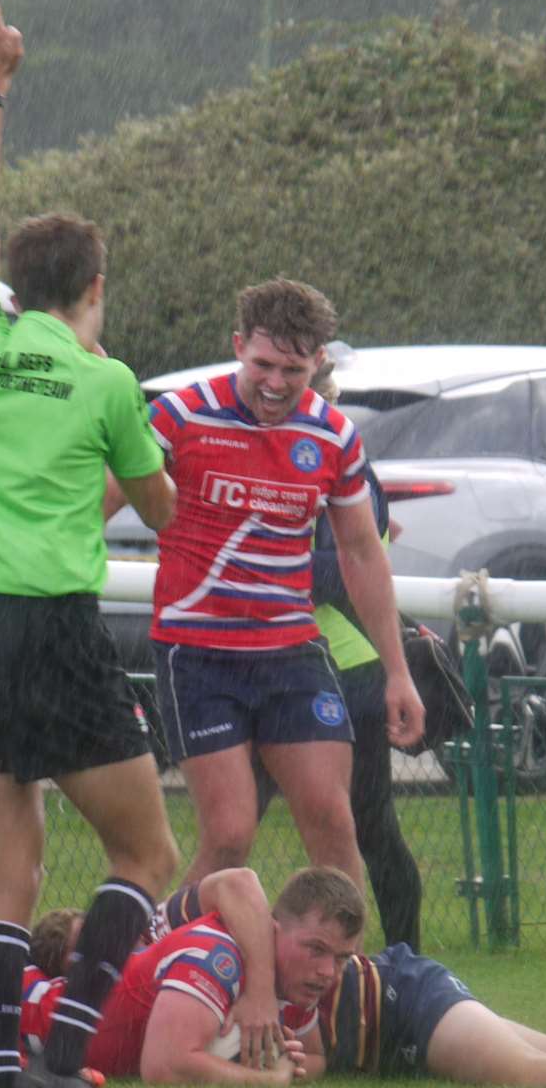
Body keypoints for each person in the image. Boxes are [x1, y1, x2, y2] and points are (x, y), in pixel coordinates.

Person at [0, 0, 179, 1088]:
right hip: (54, 625)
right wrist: (125, 472)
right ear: (91, 291)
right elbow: (165, 510)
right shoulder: (107, 381)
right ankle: (67, 1064)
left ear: (10, 285)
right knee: (146, 851)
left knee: (9, 877)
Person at [144, 279, 425, 891]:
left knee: (332, 822)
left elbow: (361, 553)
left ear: (318, 362)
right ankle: (160, 962)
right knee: (229, 837)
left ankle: (336, 980)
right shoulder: (179, 415)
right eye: (263, 364)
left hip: (289, 651)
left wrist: (398, 671)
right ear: (238, 345)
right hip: (197, 652)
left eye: (292, 370)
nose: (274, 383)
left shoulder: (333, 436)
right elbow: (96, 504)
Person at [29, 868, 546, 1088]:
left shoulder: (184, 941)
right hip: (394, 1022)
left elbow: (236, 881)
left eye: (336, 956)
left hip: (404, 1001)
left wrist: (261, 996)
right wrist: (286, 1064)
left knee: (536, 1074)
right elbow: (311, 1053)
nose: (328, 971)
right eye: (317, 952)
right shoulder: (246, 970)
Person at [255, 349, 423, 949]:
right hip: (270, 664)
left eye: (307, 399)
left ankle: (404, 963)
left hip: (347, 673)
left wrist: (261, 564)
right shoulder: (271, 454)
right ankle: (219, 964)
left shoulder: (344, 462)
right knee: (233, 831)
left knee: (372, 833)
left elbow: (342, 568)